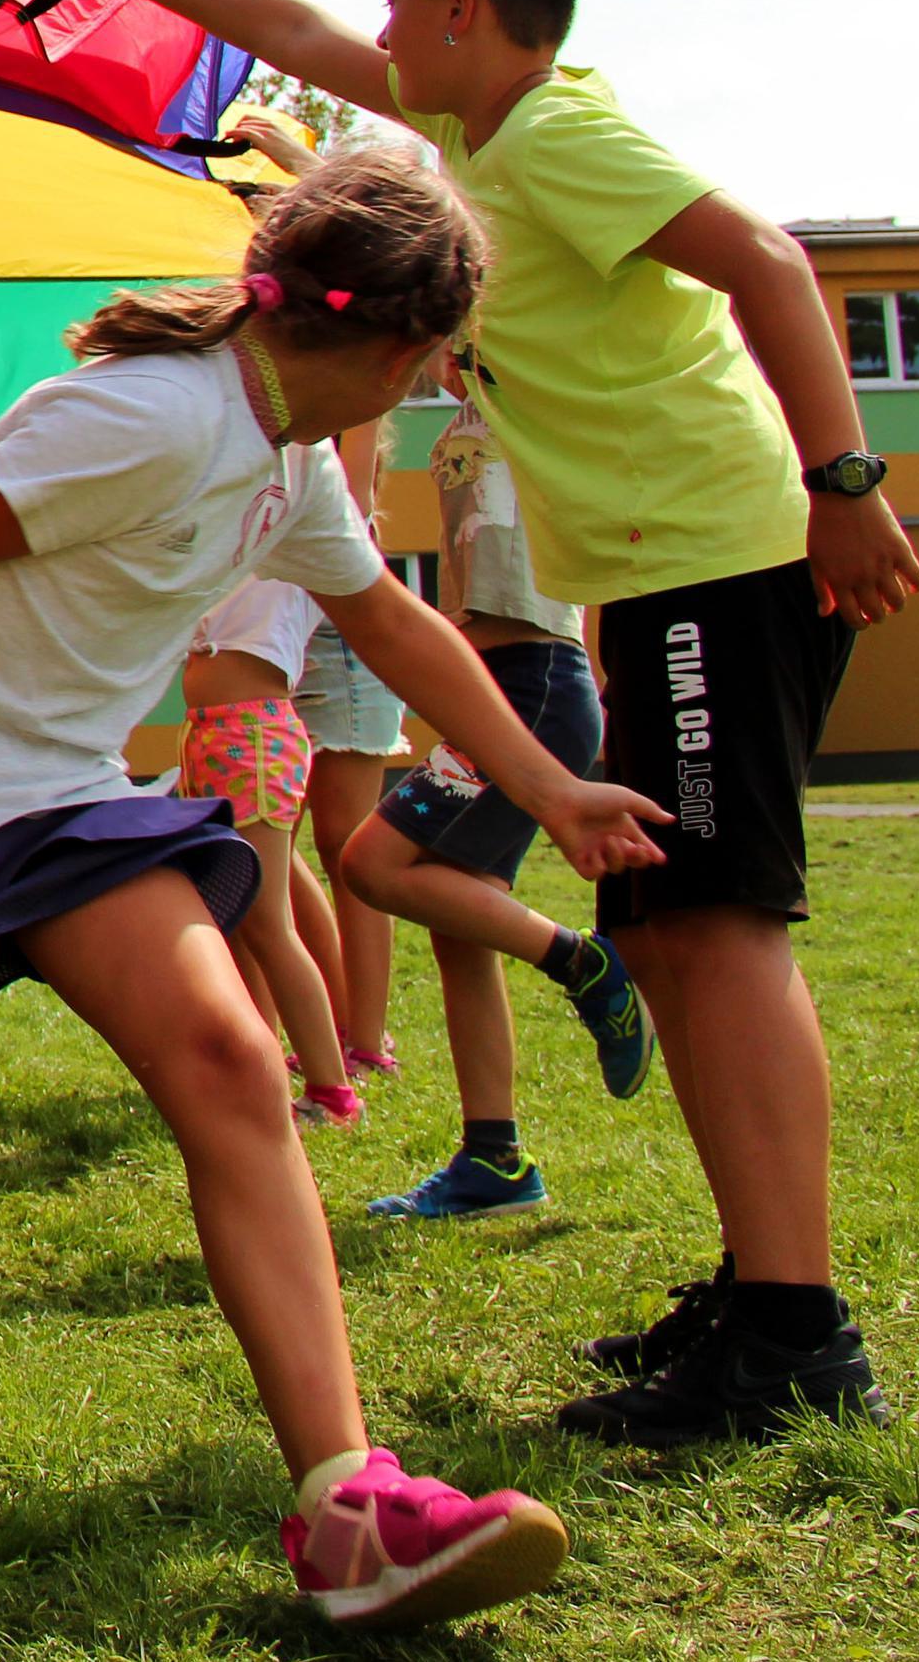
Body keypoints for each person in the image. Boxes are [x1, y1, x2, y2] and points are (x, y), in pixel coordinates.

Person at [47, 0, 919, 1441]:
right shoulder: (473, 129)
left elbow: (772, 263)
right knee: (666, 933)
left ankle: (798, 1333)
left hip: (723, 555)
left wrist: (847, 483)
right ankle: (762, 1289)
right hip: (657, 574)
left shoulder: (558, 136)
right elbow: (300, 31)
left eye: (398, 1)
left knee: (719, 933)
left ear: (462, 6)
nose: (376, 33)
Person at [0, 149, 661, 1626]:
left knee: (235, 1064)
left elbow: (392, 624)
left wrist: (549, 785)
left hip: (67, 795)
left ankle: (348, 1505)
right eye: (433, 361)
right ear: (395, 345)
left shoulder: (287, 453)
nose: (423, 388)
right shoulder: (149, 413)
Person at [346, 374, 659, 1220]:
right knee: (461, 926)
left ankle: (585, 961)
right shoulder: (468, 406)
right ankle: (496, 1159)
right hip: (496, 683)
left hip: (533, 682)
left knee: (373, 861)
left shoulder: (532, 392)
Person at [173, 579, 364, 1125]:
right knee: (235, 917)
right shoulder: (226, 549)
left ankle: (332, 1092)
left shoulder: (287, 547)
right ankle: (263, 1074)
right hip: (207, 733)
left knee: (269, 924)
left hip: (253, 735)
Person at [292, 420, 417, 1081]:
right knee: (266, 848)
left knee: (345, 848)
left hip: (343, 652)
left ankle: (364, 1039)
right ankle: (329, 1021)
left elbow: (353, 501)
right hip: (282, 650)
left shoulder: (347, 432)